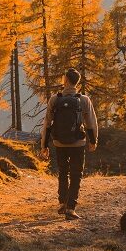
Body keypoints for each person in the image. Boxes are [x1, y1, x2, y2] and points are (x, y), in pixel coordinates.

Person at [39, 68, 98, 220]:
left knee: (63, 173)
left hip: (59, 143)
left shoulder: (55, 99)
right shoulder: (84, 100)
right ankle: (70, 208)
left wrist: (44, 145)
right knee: (76, 175)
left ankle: (62, 203)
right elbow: (91, 123)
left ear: (65, 80)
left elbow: (47, 123)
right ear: (77, 82)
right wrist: (93, 141)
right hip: (78, 143)